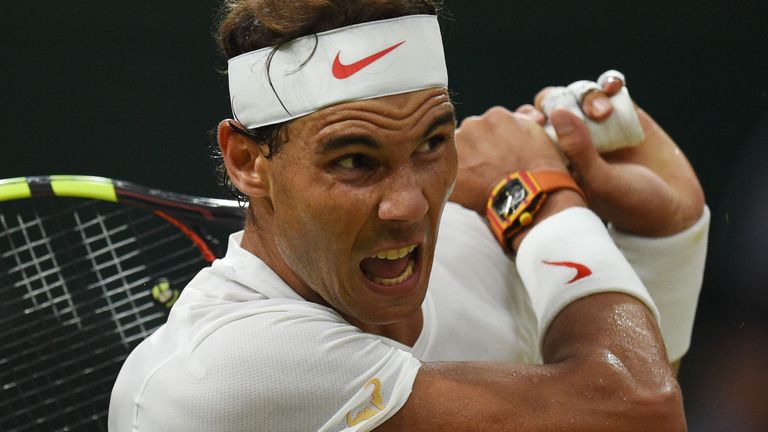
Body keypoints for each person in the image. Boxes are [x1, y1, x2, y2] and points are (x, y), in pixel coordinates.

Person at [108, 1, 708, 430]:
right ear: (247, 161)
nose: (410, 205)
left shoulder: (483, 257)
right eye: (354, 160)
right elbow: (641, 410)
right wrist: (535, 198)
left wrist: (664, 238)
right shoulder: (221, 372)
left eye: (430, 144)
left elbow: (617, 393)